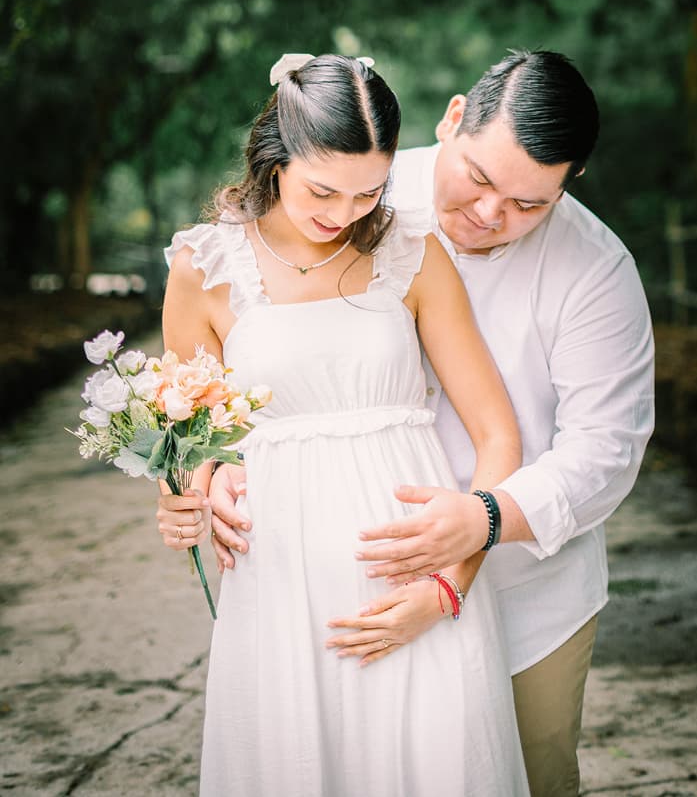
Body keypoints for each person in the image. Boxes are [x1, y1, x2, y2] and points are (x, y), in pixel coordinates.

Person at [199, 49, 655, 797]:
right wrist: (205, 474)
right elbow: (247, 365)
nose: (488, 214)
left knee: (523, 772)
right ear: (451, 122)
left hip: (525, 582)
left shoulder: (597, 270)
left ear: (569, 184)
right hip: (339, 583)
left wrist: (478, 526)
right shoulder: (357, 185)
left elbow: (606, 452)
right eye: (478, 178)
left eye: (528, 204)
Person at [157, 52, 530, 796]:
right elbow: (190, 443)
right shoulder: (205, 268)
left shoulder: (413, 254)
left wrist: (448, 586)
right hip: (280, 591)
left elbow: (498, 436)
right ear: (274, 160)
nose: (345, 213)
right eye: (322, 190)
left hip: (419, 584)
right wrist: (189, 493)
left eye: (369, 192)